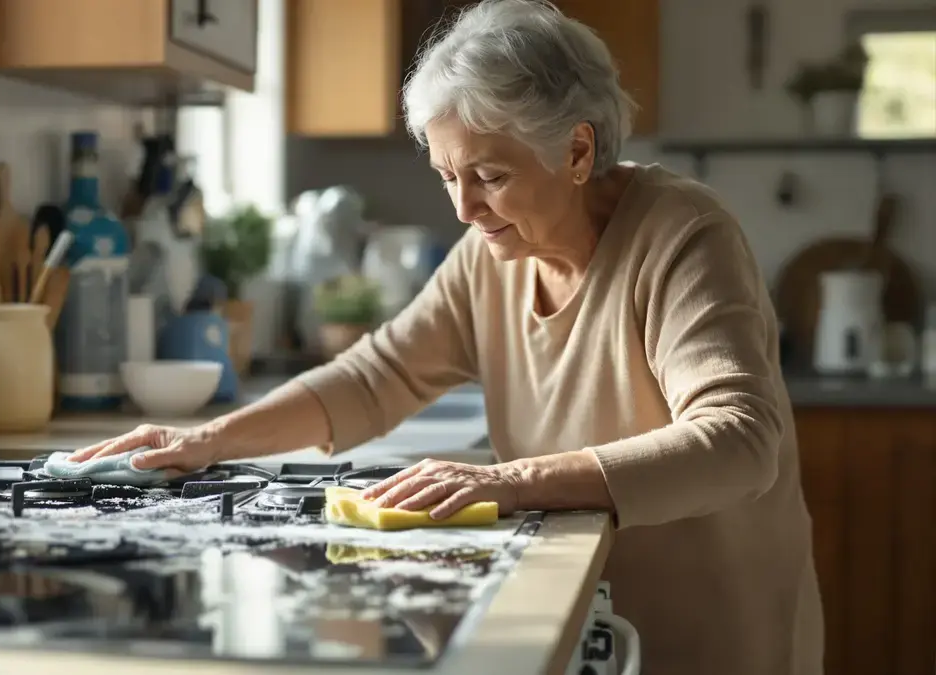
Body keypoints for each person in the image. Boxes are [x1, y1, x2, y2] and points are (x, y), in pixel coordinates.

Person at [69, 1, 823, 672]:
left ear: (578, 152)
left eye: (488, 176)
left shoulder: (683, 236)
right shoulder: (491, 255)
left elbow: (739, 439)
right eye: (446, 176)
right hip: (582, 612)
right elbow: (376, 377)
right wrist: (210, 440)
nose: (463, 208)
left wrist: (508, 481)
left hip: (716, 625)